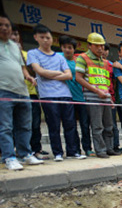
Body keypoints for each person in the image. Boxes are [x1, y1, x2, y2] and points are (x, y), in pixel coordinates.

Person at [28, 24, 84, 161]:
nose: (46, 40)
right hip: (47, 95)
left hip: (65, 95)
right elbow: (39, 72)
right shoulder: (33, 53)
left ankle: (73, 151)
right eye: (42, 37)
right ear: (36, 38)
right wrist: (58, 73)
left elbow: (69, 75)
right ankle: (58, 153)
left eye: (48, 37)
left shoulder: (59, 57)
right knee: (53, 126)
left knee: (70, 124)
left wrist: (48, 74)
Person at [0, 14, 44, 170]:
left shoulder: (15, 46)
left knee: (25, 125)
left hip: (22, 91)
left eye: (7, 25)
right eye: (1, 25)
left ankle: (25, 154)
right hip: (3, 91)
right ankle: (9, 157)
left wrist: (28, 77)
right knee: (5, 126)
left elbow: (22, 67)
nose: (4, 28)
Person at [75, 32, 117, 159]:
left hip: (106, 98)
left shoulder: (104, 62)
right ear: (89, 46)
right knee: (97, 126)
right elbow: (79, 78)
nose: (100, 48)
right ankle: (100, 150)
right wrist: (96, 91)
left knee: (109, 126)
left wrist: (110, 98)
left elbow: (105, 82)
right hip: (93, 97)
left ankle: (109, 148)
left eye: (102, 46)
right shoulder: (83, 58)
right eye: (96, 45)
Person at [10, 26, 46, 160]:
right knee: (10, 125)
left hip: (29, 93)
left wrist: (20, 55)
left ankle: (35, 150)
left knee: (33, 124)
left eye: (16, 34)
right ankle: (12, 151)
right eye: (11, 34)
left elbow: (33, 73)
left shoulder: (27, 54)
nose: (14, 37)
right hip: (8, 94)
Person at [59, 36, 92, 157]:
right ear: (61, 48)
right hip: (67, 97)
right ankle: (74, 150)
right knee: (70, 125)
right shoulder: (58, 58)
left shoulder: (78, 60)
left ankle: (88, 148)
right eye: (65, 47)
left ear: (74, 49)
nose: (67, 50)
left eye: (70, 47)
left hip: (81, 97)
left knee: (85, 125)